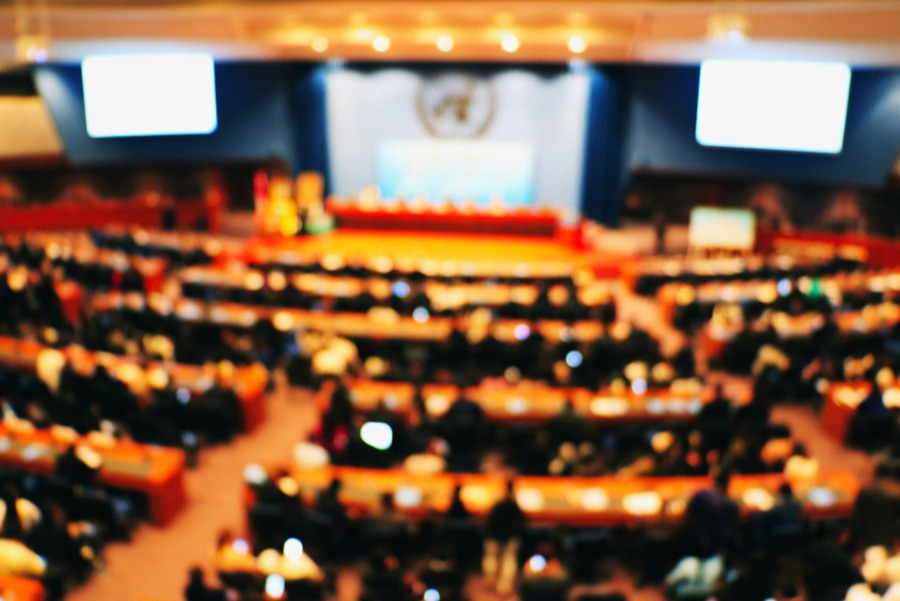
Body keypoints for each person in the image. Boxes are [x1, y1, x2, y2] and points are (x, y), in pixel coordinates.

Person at [483, 479, 526, 595]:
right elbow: (522, 521)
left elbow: (490, 520)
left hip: (497, 535)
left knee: (497, 559)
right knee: (507, 560)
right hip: (508, 536)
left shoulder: (499, 504)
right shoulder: (513, 505)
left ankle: (493, 581)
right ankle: (503, 585)